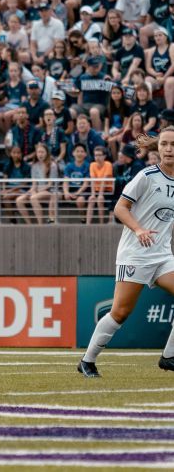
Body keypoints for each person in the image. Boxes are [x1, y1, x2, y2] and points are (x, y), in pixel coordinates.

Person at [79, 129, 174, 377]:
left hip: (163, 255)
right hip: (136, 253)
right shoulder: (146, 176)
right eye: (164, 144)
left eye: (173, 144)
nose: (168, 148)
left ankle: (169, 356)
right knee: (120, 312)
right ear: (158, 148)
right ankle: (87, 361)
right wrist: (139, 229)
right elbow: (120, 208)